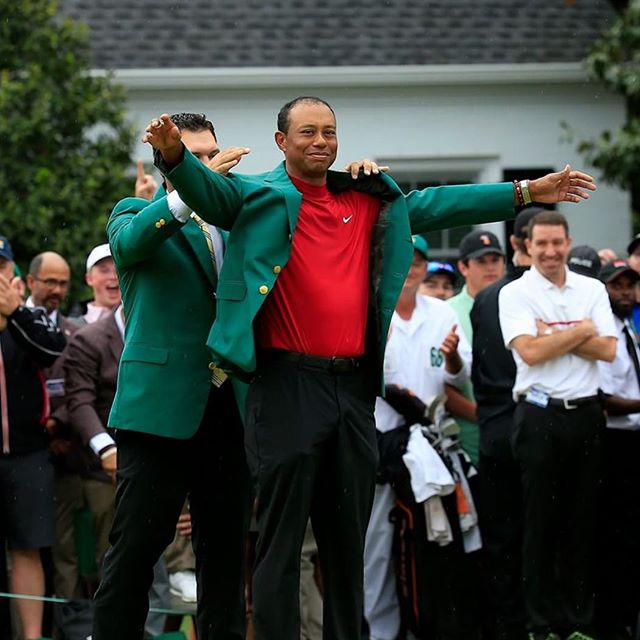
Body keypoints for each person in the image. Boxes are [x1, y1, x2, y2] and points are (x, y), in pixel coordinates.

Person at [146, 95, 596, 640]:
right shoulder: (257, 193)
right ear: (280, 142)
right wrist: (175, 158)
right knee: (281, 545)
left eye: (329, 132)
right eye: (307, 132)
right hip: (285, 386)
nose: (321, 142)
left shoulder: (365, 195)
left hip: (353, 391)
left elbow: (436, 203)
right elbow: (208, 192)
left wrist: (526, 192)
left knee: (345, 547)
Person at [91, 112, 254, 640]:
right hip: (159, 409)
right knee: (135, 553)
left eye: (212, 155)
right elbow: (135, 243)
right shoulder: (135, 211)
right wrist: (187, 189)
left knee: (227, 558)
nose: (208, 165)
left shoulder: (238, 219)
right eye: (193, 157)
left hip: (229, 407)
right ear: (169, 164)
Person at [498, 210, 616, 640]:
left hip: (585, 413)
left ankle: (578, 621)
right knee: (539, 523)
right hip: (539, 415)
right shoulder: (515, 293)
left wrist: (557, 336)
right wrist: (582, 330)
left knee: (581, 521)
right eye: (541, 244)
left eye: (557, 243)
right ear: (527, 246)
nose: (550, 252)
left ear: (568, 243)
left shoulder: (592, 288)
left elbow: (607, 350)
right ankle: (540, 622)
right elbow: (529, 353)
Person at [364, 233, 472, 640]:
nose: (410, 268)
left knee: (434, 541)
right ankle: (381, 631)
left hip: (431, 445)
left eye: (417, 261)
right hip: (382, 442)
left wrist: (453, 355)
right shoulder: (372, 307)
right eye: (402, 259)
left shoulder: (442, 313)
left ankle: (428, 625)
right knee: (376, 545)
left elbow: (456, 377)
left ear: (425, 267)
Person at [470, 206, 540, 640]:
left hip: (494, 427)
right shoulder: (528, 296)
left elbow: (479, 372)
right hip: (529, 423)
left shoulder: (487, 298)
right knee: (538, 533)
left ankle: (506, 627)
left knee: (501, 538)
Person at [0, 237, 67, 640]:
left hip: (27, 454)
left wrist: (14, 314)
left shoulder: (30, 315)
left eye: (2, 266)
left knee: (28, 548)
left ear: (13, 271)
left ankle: (32, 636)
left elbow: (52, 350)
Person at [594, 259, 640, 640]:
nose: (625, 292)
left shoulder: (628, 327)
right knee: (618, 534)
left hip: (633, 439)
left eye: (630, 286)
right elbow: (606, 399)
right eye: (617, 286)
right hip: (615, 440)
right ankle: (614, 620)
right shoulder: (604, 332)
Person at [448, 230, 506, 464]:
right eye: (481, 261)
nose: (490, 268)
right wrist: (484, 416)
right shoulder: (447, 312)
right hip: (467, 435)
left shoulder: (517, 304)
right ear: (463, 267)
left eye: (495, 260)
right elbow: (439, 383)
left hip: (512, 429)